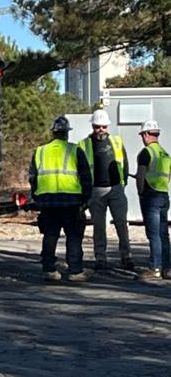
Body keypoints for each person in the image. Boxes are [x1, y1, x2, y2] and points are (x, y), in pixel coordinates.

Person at [29, 116, 92, 282]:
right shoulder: (75, 150)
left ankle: (49, 270)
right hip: (71, 201)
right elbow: (86, 177)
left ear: (53, 133)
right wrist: (86, 199)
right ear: (66, 133)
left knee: (50, 235)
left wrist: (36, 197)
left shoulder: (40, 151)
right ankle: (75, 271)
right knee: (73, 236)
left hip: (47, 201)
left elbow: (33, 177)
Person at [78, 108, 133, 270]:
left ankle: (126, 256)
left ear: (107, 127)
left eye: (103, 126)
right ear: (93, 126)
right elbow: (80, 169)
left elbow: (125, 163)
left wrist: (122, 184)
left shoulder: (116, 141)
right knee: (99, 226)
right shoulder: (84, 144)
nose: (100, 130)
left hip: (116, 189)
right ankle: (100, 258)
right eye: (97, 126)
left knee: (122, 224)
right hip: (96, 191)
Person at [134, 119, 170, 280]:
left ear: (148, 134)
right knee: (163, 234)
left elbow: (140, 177)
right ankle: (167, 268)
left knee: (153, 234)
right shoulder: (165, 154)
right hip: (163, 195)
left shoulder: (146, 152)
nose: (142, 138)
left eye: (143, 134)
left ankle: (155, 267)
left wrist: (141, 193)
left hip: (151, 196)